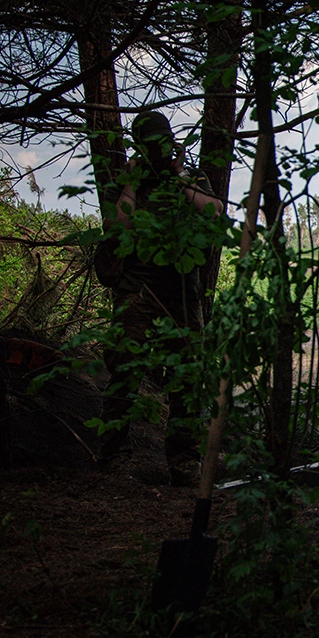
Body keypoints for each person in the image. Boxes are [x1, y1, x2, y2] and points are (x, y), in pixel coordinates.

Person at [98, 111, 224, 485]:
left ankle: (184, 462)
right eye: (151, 146)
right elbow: (116, 230)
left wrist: (179, 178)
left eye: (163, 144)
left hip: (182, 296)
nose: (159, 152)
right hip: (138, 292)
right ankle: (113, 459)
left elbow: (215, 213)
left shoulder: (189, 178)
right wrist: (134, 183)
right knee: (124, 376)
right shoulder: (125, 184)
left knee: (186, 381)